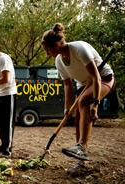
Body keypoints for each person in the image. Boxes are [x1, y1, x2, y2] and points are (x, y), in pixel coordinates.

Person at [41, 23, 115, 169]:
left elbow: (96, 78)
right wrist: (67, 108)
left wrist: (95, 105)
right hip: (83, 85)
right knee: (78, 119)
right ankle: (80, 159)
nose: (47, 54)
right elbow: (67, 85)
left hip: (103, 78)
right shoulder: (59, 61)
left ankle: (81, 146)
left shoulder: (79, 49)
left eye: (47, 49)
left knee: (84, 101)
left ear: (56, 44)